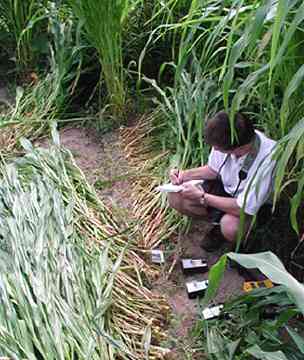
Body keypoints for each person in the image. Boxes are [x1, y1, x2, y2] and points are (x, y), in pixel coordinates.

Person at [168, 111, 277, 251]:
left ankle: (243, 240)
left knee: (231, 227)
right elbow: (213, 170)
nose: (215, 150)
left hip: (252, 207)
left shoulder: (269, 159)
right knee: (176, 197)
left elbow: (244, 209)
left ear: (239, 148)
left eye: (219, 149)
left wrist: (202, 197)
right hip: (228, 190)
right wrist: (184, 175)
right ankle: (217, 225)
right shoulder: (227, 137)